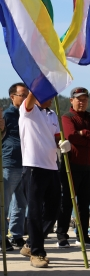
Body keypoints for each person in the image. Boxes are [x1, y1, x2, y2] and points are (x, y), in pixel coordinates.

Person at [19, 90, 70, 268]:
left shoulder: (52, 113)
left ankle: (30, 242)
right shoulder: (29, 110)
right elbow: (32, 95)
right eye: (49, 95)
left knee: (54, 209)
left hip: (52, 166)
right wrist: (42, 77)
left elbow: (56, 137)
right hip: (33, 166)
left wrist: (63, 144)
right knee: (34, 212)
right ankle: (37, 253)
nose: (52, 99)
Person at [56, 87, 90, 248]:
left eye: (84, 99)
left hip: (87, 166)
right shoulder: (67, 117)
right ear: (72, 100)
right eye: (79, 99)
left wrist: (84, 133)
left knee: (84, 203)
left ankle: (83, 235)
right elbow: (70, 136)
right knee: (67, 202)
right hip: (71, 164)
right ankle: (62, 235)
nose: (82, 102)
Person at [1, 83, 29, 251]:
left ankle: (16, 235)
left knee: (21, 203)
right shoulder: (6, 115)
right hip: (10, 164)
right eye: (22, 95)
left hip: (26, 163)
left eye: (28, 95)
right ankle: (1, 237)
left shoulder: (29, 113)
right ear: (13, 97)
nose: (26, 98)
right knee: (4, 203)